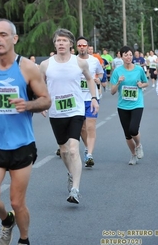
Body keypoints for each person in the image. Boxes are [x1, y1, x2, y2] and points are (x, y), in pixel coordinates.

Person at [0, 18, 51, 245]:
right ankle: (7, 221)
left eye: (3, 35)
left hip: (21, 145)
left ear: (14, 39)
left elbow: (46, 100)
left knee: (17, 202)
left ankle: (24, 239)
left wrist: (28, 105)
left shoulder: (27, 68)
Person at [39, 29, 99, 205]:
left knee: (73, 149)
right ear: (54, 44)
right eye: (58, 41)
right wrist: (41, 101)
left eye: (64, 41)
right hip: (56, 112)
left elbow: (90, 79)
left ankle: (75, 189)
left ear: (70, 44)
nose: (61, 43)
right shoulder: (46, 64)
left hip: (76, 110)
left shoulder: (79, 63)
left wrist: (94, 98)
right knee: (64, 151)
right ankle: (71, 173)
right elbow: (40, 83)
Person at [110, 46, 148, 165]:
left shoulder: (138, 69)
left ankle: (139, 145)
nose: (128, 57)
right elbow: (112, 91)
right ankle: (133, 155)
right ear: (121, 56)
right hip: (123, 106)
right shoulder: (117, 71)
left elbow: (146, 82)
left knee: (133, 129)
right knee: (127, 134)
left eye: (130, 55)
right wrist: (119, 82)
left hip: (137, 104)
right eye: (126, 55)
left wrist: (142, 85)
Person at [76, 36, 104, 167]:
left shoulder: (94, 61)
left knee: (90, 126)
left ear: (88, 47)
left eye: (84, 45)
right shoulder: (72, 61)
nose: (82, 47)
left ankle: (89, 155)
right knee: (82, 128)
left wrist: (98, 79)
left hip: (91, 99)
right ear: (77, 47)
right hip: (77, 100)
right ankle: (87, 147)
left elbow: (101, 73)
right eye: (79, 45)